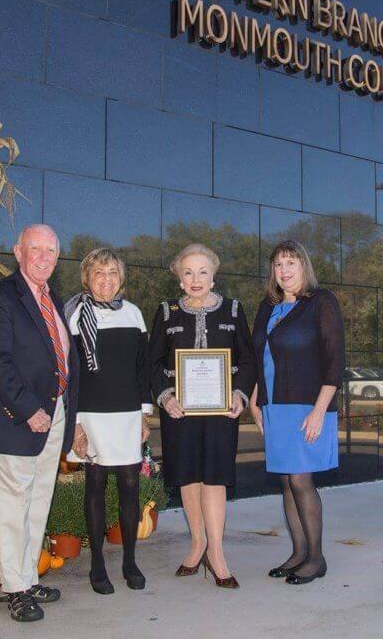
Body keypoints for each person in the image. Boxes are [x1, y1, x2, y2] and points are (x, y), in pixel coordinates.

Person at [0, 224, 79, 622]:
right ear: (18, 251)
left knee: (37, 503)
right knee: (11, 506)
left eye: (51, 251)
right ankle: (15, 588)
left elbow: (60, 359)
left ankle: (27, 576)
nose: (44, 257)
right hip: (17, 419)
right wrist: (29, 409)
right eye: (36, 248)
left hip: (54, 417)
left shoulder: (52, 298)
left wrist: (66, 414)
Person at [149, 243, 256, 589]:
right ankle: (197, 545)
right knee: (189, 479)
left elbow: (249, 360)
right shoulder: (166, 313)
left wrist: (239, 394)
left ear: (214, 276)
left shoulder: (234, 310)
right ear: (179, 279)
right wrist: (165, 398)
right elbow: (151, 364)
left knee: (214, 478)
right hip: (179, 412)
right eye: (188, 272)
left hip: (221, 412)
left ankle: (217, 553)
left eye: (203, 272)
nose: (196, 279)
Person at [249, 240, 345, 585]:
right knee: (286, 482)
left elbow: (336, 362)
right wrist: (256, 398)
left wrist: (319, 411)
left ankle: (316, 559)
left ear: (304, 266)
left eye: (291, 263)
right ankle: (298, 553)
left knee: (302, 479)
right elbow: (262, 356)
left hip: (309, 405)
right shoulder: (267, 307)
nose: (284, 270)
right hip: (276, 405)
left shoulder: (321, 303)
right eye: (278, 265)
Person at [64, 248, 153, 595]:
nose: (106, 280)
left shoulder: (133, 314)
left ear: (121, 278)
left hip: (127, 414)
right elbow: (69, 376)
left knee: (131, 487)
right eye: (99, 273)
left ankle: (130, 560)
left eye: (112, 272)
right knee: (96, 487)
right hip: (90, 415)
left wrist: (145, 415)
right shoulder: (73, 315)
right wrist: (75, 424)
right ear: (87, 277)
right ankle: (98, 564)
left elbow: (142, 368)